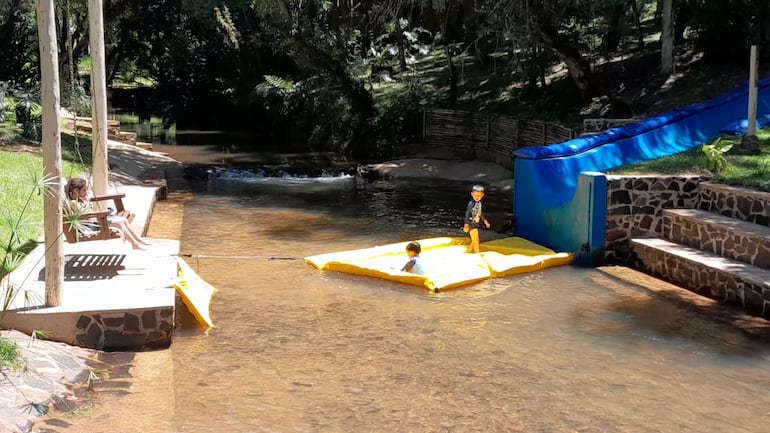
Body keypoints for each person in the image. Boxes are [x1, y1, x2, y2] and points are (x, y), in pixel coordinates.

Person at [65, 177, 151, 250]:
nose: (86, 192)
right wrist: (87, 202)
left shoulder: (79, 200)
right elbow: (85, 217)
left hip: (94, 221)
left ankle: (137, 240)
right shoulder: (73, 203)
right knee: (120, 222)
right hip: (90, 225)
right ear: (76, 191)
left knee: (123, 219)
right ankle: (134, 244)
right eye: (84, 190)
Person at [463, 184, 491, 254]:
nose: (477, 197)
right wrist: (466, 224)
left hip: (476, 223)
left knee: (474, 240)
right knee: (476, 240)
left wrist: (485, 221)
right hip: (471, 223)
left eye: (479, 196)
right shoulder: (471, 203)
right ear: (472, 194)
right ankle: (477, 253)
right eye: (475, 195)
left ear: (482, 195)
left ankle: (468, 252)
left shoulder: (479, 203)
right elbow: (467, 213)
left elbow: (480, 213)